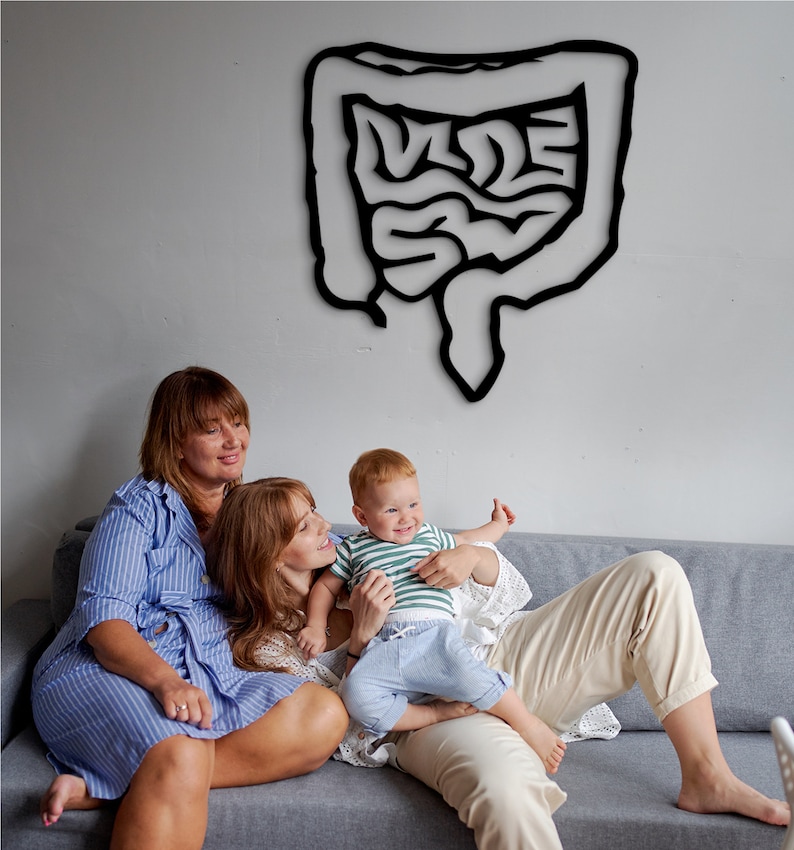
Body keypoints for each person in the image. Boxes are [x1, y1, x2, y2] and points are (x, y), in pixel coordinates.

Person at [206, 475, 789, 850]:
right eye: (302, 524)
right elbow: (355, 729)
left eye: (315, 512)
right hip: (434, 710)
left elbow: (509, 592)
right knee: (508, 787)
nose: (322, 524)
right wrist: (359, 641)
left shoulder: (373, 550)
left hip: (496, 658)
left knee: (653, 574)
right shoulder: (270, 645)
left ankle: (707, 776)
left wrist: (468, 558)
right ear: (266, 550)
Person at [31, 367, 347, 849]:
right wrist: (166, 681)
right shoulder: (135, 509)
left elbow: (325, 545)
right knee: (181, 752)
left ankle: (105, 788)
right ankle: (157, 769)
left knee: (323, 714)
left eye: (237, 422)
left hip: (208, 672)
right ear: (175, 442)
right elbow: (104, 622)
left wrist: (456, 550)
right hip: (112, 668)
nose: (233, 439)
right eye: (211, 428)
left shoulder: (248, 507)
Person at [297, 448, 566, 773]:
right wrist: (314, 625)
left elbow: (471, 540)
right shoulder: (353, 548)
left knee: (474, 676)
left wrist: (497, 526)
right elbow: (324, 587)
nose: (406, 517)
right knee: (356, 694)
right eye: (392, 509)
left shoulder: (429, 536)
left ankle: (527, 724)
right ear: (362, 516)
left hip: (435, 636)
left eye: (413, 504)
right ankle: (435, 713)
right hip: (383, 646)